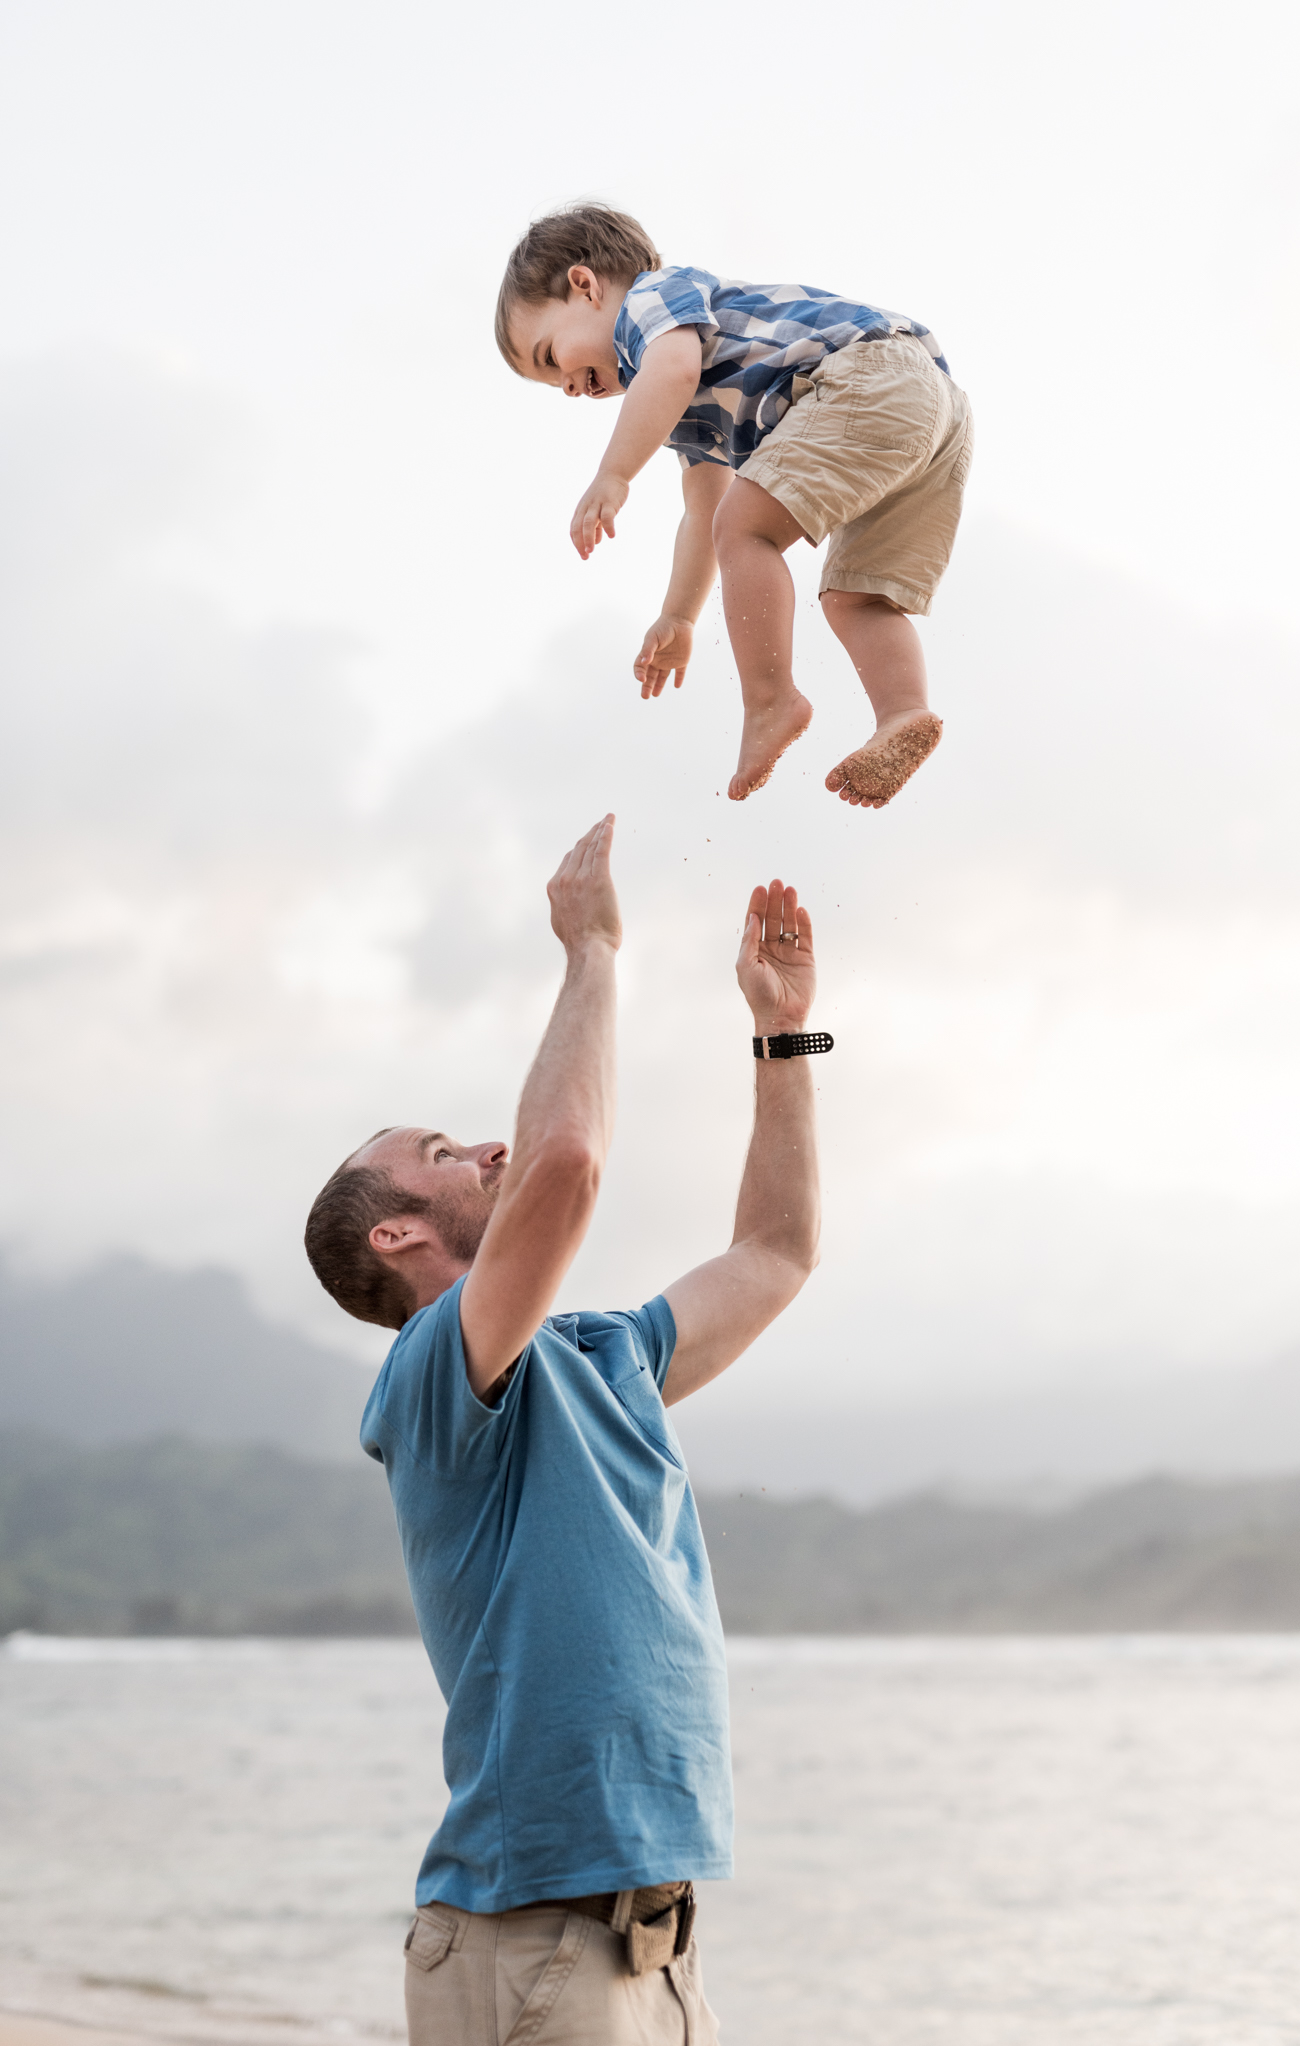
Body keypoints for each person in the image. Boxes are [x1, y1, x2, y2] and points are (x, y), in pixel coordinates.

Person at [303, 815, 823, 2045]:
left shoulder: (604, 1354)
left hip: (657, 1948)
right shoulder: (431, 1378)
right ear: (396, 1235)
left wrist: (782, 1033)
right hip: (531, 1942)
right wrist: (591, 951)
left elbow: (777, 1252)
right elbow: (567, 1163)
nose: (487, 1145)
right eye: (443, 1153)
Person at [495, 204, 974, 811]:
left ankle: (771, 700)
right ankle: (903, 712)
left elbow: (672, 371)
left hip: (865, 377)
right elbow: (704, 510)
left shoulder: (651, 302)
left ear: (585, 286)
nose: (567, 388)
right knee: (856, 596)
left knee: (747, 530)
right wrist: (680, 615)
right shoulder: (681, 405)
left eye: (549, 357)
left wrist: (613, 474)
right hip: (932, 412)